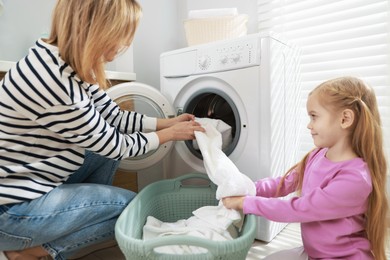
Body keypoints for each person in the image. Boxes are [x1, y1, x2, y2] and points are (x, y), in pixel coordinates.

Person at [0, 0, 204, 259]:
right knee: (131, 209)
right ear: (99, 30)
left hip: (30, 186)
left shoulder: (64, 62)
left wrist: (168, 123)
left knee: (105, 157)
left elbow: (113, 117)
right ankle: (31, 252)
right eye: (123, 35)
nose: (125, 45)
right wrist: (170, 135)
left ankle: (87, 219)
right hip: (11, 213)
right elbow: (115, 144)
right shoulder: (55, 83)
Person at [223, 76, 388, 260]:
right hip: (315, 253)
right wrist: (249, 188)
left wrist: (246, 203)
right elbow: (285, 183)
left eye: (314, 116)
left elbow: (300, 209)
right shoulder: (317, 155)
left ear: (345, 119)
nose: (309, 125)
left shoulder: (355, 179)